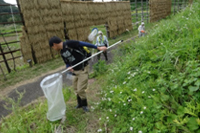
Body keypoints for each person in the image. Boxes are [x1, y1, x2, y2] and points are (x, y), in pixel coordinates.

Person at [49, 36, 107, 112]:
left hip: (82, 69)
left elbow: (83, 43)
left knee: (80, 89)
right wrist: (68, 67)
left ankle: (85, 105)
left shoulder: (69, 43)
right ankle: (79, 104)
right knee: (76, 89)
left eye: (52, 47)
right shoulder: (62, 52)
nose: (53, 49)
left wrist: (98, 48)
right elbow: (66, 62)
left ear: (54, 44)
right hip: (74, 72)